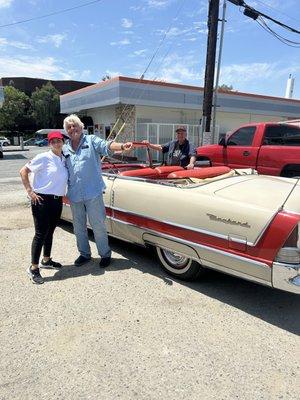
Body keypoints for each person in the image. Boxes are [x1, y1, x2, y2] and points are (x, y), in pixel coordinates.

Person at [63, 114, 136, 269]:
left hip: (93, 192)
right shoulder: (64, 148)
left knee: (98, 225)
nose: (72, 129)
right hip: (75, 194)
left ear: (81, 127)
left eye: (74, 125)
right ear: (66, 131)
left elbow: (107, 146)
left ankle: (105, 254)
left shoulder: (91, 140)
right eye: (69, 127)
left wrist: (122, 146)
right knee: (78, 227)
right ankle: (84, 254)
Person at [20, 131, 68, 284]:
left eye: (58, 140)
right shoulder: (43, 157)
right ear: (49, 143)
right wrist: (30, 191)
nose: (56, 143)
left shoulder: (64, 159)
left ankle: (46, 260)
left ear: (62, 141)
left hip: (57, 200)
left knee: (50, 232)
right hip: (42, 200)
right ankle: (33, 268)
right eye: (53, 141)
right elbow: (23, 171)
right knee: (40, 233)